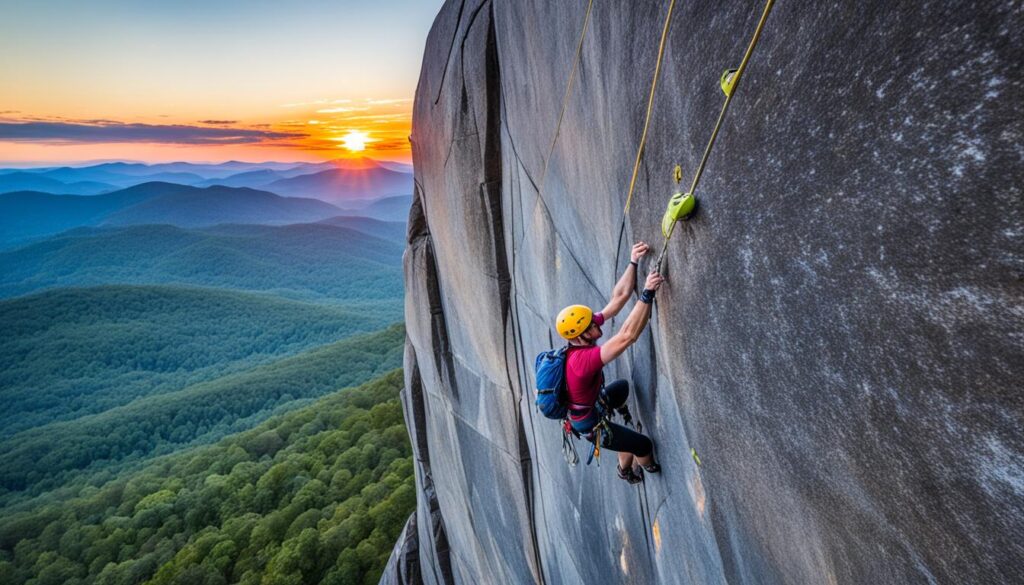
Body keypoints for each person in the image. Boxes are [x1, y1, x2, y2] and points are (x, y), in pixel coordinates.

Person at [556, 241, 665, 484]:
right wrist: (647, 293)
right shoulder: (582, 361)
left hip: (592, 404)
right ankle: (634, 470)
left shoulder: (580, 337)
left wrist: (633, 261)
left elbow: (618, 298)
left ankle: (621, 438)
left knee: (622, 388)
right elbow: (627, 336)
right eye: (591, 326)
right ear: (580, 335)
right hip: (590, 424)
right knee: (642, 444)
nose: (597, 325)